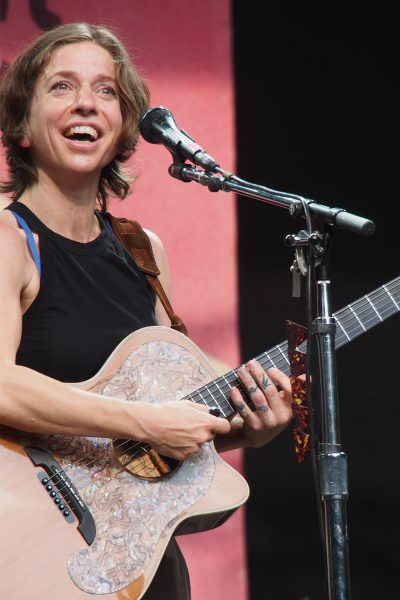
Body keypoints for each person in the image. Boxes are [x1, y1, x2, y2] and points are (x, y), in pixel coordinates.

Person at [0, 23, 293, 599]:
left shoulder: (143, 250)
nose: (86, 101)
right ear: (23, 128)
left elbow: (153, 433)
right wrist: (147, 422)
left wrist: (243, 434)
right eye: (61, 87)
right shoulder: (9, 238)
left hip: (139, 558)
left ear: (123, 129)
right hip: (29, 538)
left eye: (107, 91)